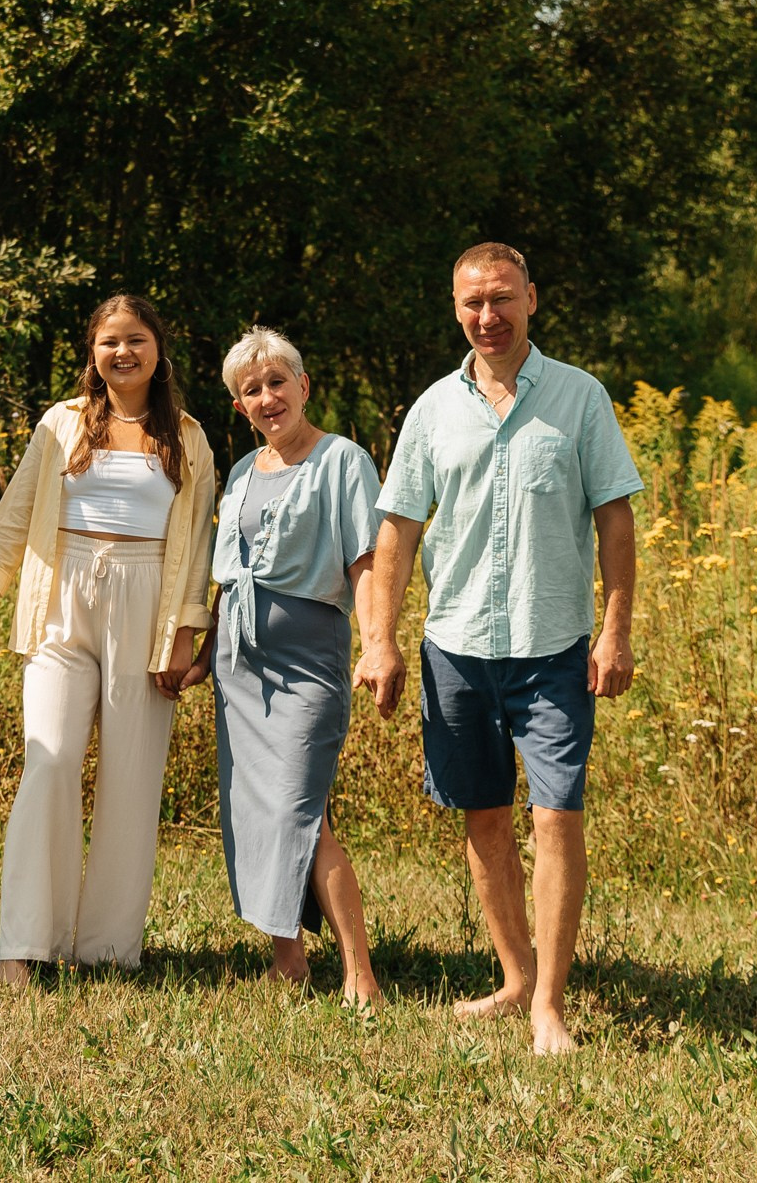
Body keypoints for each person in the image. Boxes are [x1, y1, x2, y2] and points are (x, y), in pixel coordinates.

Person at [360, 242, 641, 1054]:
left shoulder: (581, 397)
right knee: (483, 816)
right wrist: (378, 640)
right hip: (456, 647)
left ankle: (549, 1005)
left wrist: (616, 629)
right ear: (457, 309)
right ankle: (516, 978)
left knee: (555, 816)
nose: (489, 316)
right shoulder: (431, 410)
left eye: (503, 298)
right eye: (473, 302)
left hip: (554, 647)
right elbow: (397, 531)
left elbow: (615, 518)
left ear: (531, 298)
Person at [0, 294, 215, 984]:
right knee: (49, 760)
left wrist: (184, 632)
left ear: (158, 349)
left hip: (147, 601)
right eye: (109, 341)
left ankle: (105, 950)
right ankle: (24, 944)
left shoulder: (188, 437)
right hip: (61, 594)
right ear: (93, 353)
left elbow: (198, 546)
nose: (122, 352)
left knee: (132, 778)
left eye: (136, 340)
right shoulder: (61, 422)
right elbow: (17, 510)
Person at [203, 327, 385, 1004]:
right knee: (254, 812)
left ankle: (361, 975)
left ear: (303, 386)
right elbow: (229, 575)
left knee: (298, 810)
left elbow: (367, 560)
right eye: (252, 390)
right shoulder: (243, 472)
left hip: (308, 659)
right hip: (238, 664)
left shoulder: (343, 461)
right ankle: (289, 960)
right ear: (239, 406)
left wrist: (378, 643)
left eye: (278, 382)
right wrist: (203, 648)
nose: (268, 397)